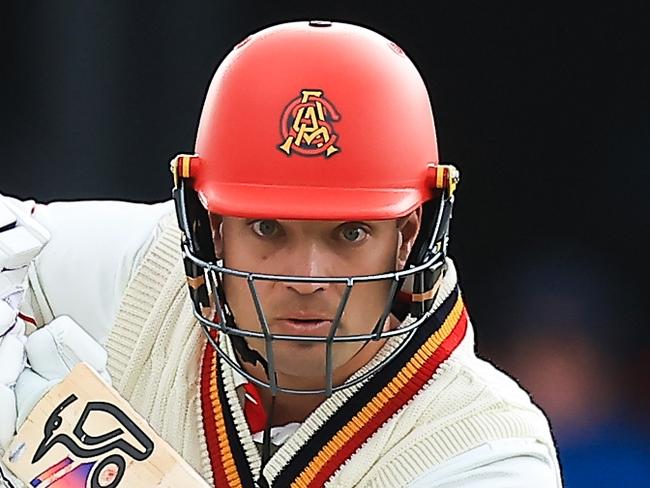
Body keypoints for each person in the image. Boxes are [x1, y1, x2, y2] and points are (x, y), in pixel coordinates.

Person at [0, 20, 562, 487]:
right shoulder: (148, 274)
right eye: (268, 228)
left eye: (350, 234)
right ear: (210, 227)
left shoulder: (490, 448)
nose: (306, 276)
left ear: (410, 233)